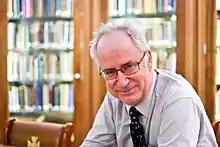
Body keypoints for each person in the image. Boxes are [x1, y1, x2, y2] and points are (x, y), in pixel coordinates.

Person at [80, 20, 218, 147]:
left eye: (129, 67)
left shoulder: (178, 100)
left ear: (149, 59)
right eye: (110, 72)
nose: (122, 83)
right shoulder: (115, 98)